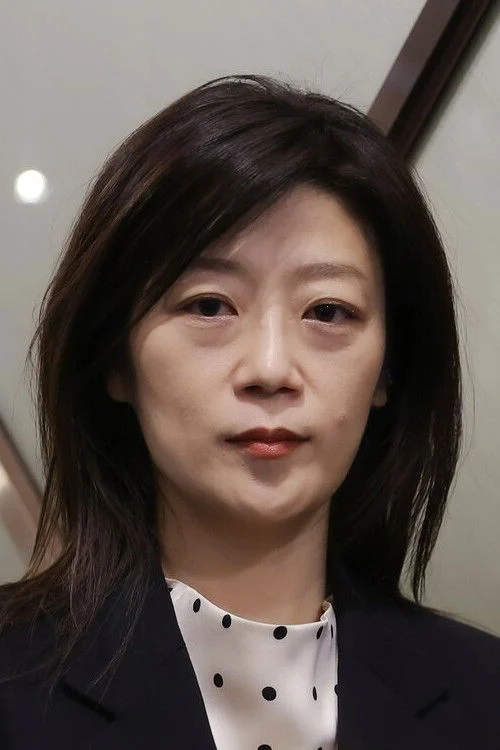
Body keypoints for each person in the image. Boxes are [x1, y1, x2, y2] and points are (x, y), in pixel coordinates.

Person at [0, 74, 499, 750]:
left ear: (389, 368)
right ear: (116, 360)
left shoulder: (484, 696)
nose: (270, 369)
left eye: (328, 312)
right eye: (209, 305)